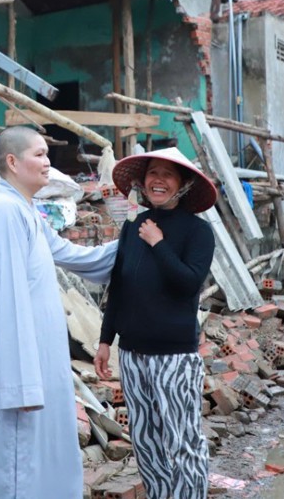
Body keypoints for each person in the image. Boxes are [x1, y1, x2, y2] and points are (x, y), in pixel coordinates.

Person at [0, 126, 119, 498]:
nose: (48, 163)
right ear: (12, 162)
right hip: (17, 370)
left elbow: (72, 255)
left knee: (39, 459)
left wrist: (129, 247)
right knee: (15, 464)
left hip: (40, 361)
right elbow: (9, 300)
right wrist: (20, 386)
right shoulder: (4, 212)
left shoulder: (26, 210)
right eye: (39, 154)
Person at [94, 147, 217, 499]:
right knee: (146, 443)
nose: (158, 180)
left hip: (174, 356)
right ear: (142, 182)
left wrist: (159, 243)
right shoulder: (133, 226)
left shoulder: (198, 232)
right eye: (152, 173)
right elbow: (119, 285)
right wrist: (105, 340)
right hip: (132, 355)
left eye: (167, 174)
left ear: (183, 184)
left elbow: (188, 284)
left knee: (182, 441)